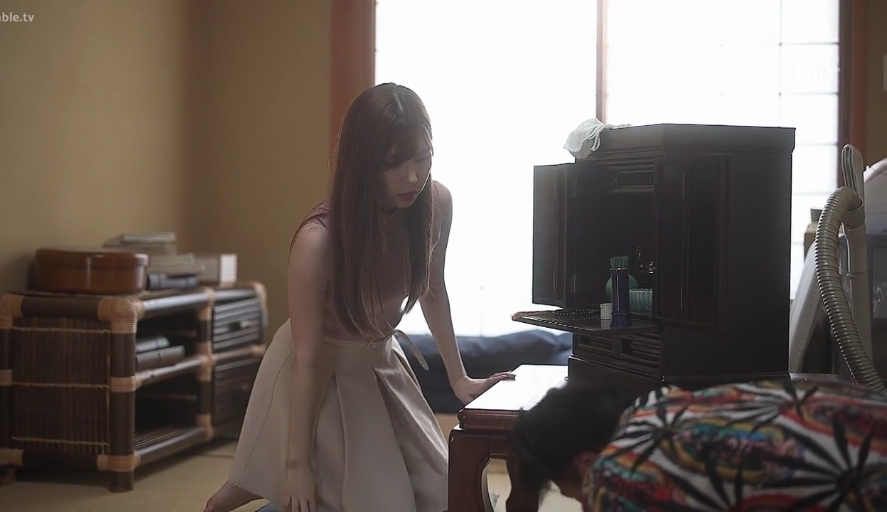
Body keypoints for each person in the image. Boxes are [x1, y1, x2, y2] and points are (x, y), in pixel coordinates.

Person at [204, 82, 513, 512]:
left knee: (445, 488)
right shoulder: (319, 240)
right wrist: (296, 463)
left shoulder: (436, 203)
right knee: (301, 487)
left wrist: (460, 380)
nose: (412, 177)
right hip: (313, 370)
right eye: (393, 163)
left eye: (422, 158)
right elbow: (309, 358)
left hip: (380, 359)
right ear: (363, 161)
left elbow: (433, 290)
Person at [512, 378, 887, 511]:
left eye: (573, 493)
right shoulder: (664, 405)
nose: (584, 504)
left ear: (584, 461)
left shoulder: (617, 477)